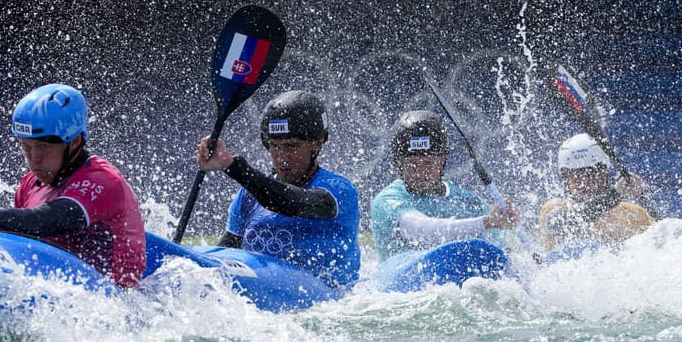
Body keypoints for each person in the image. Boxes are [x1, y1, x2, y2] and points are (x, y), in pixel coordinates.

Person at [0, 83, 147, 288]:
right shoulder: (30, 184)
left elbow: (41, 222)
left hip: (115, 303)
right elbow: (13, 238)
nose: (33, 158)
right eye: (26, 147)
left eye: (43, 147)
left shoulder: (104, 181)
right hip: (57, 291)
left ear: (74, 142)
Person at [195, 90, 360, 290]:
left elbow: (290, 202)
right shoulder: (248, 196)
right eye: (274, 146)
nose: (281, 156)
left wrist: (232, 166)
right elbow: (225, 252)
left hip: (329, 302)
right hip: (264, 294)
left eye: (291, 146)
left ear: (317, 144)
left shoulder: (339, 190)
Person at [370, 110, 518, 262]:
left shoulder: (469, 202)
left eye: (428, 163)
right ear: (399, 163)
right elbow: (425, 231)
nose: (421, 172)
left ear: (442, 161)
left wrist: (503, 221)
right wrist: (487, 222)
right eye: (412, 163)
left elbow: (504, 253)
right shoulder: (386, 201)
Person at [537, 133, 653, 252]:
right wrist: (615, 194)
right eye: (576, 175)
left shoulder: (633, 214)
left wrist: (642, 197)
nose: (585, 181)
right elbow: (573, 221)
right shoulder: (553, 208)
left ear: (604, 173)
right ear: (566, 178)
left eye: (592, 173)